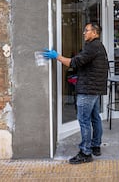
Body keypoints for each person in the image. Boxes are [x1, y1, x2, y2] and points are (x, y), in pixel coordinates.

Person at [44, 23, 109, 164]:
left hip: (88, 89)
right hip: (94, 89)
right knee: (94, 117)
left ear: (95, 32)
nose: (84, 33)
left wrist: (57, 56)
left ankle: (85, 152)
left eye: (86, 31)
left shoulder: (92, 47)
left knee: (84, 120)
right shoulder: (98, 46)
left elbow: (75, 62)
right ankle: (95, 145)